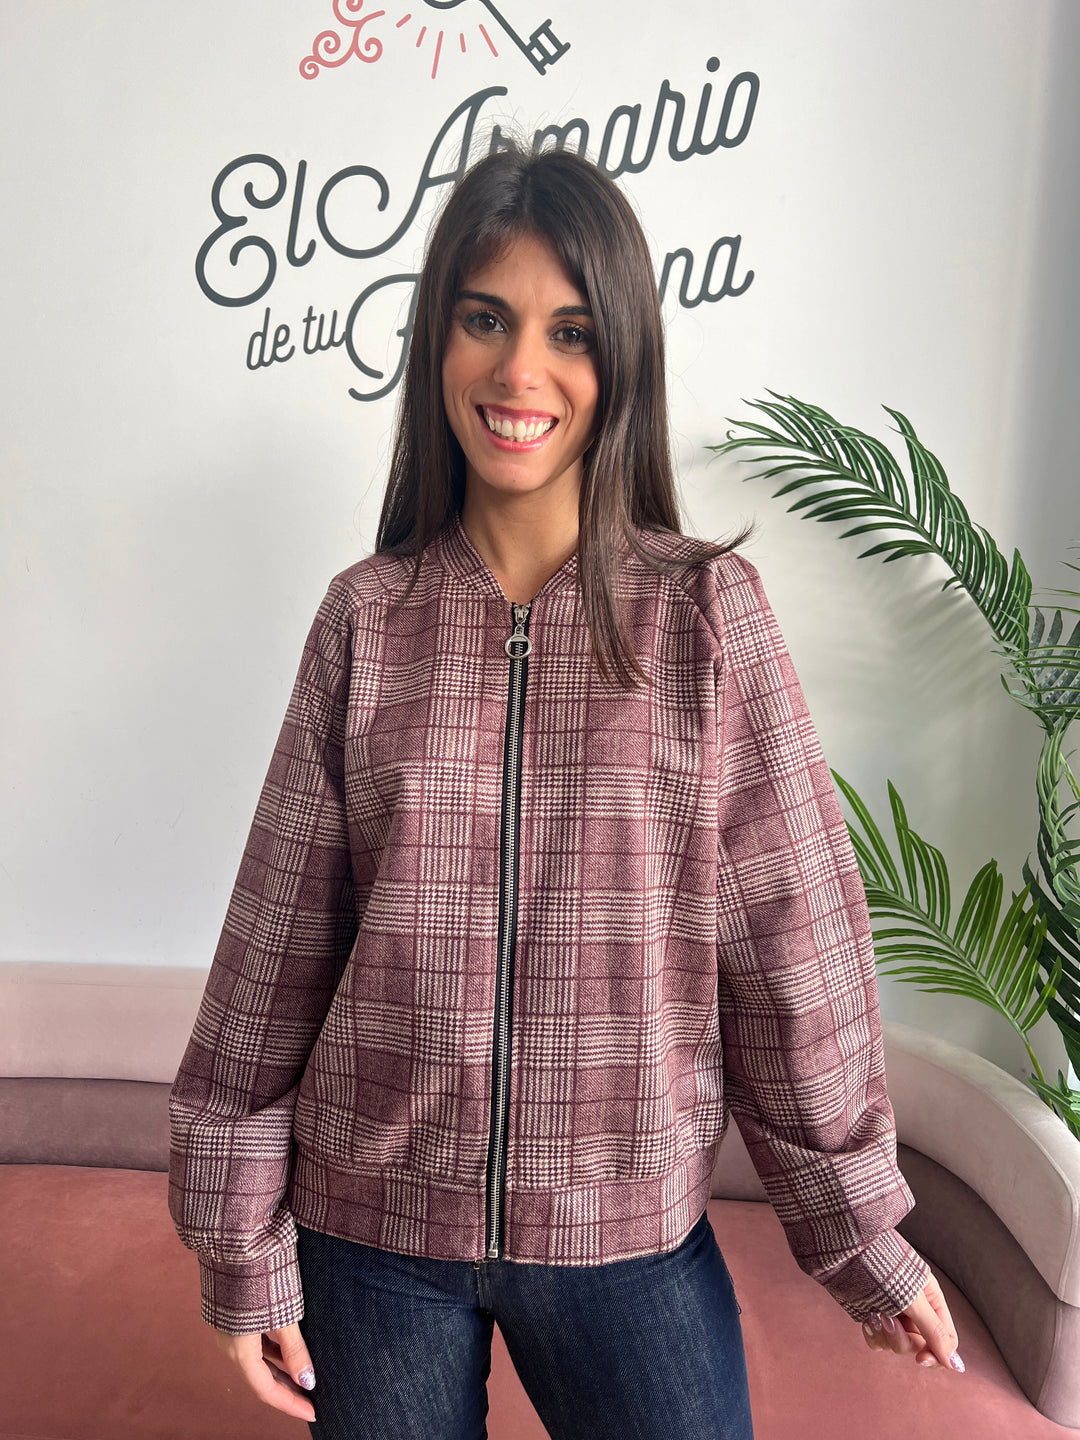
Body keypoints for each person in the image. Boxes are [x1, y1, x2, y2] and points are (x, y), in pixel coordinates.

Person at [168, 142, 963, 1440]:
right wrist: (240, 1253)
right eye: (485, 319)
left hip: (623, 1232)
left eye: (570, 331)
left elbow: (795, 942)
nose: (519, 371)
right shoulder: (369, 620)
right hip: (371, 1237)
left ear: (623, 359)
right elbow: (276, 950)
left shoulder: (707, 619)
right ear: (438, 340)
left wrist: (857, 1229)